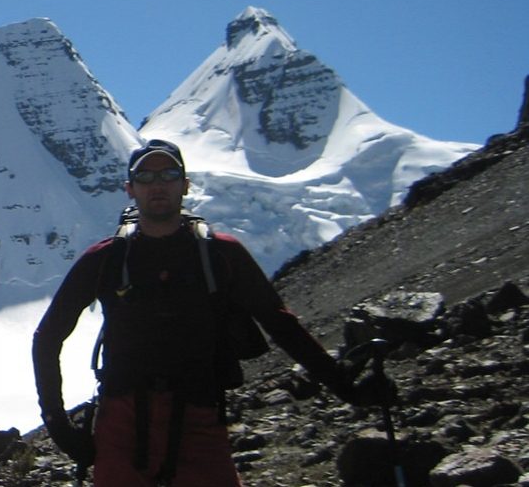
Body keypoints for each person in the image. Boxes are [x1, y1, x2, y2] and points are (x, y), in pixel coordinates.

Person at [31, 139, 393, 486]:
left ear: (185, 185)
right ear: (130, 188)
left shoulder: (221, 255)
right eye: (146, 177)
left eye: (169, 175)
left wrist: (347, 388)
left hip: (197, 418)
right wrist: (59, 426)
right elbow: (47, 337)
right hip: (125, 422)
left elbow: (281, 325)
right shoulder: (107, 258)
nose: (158, 185)